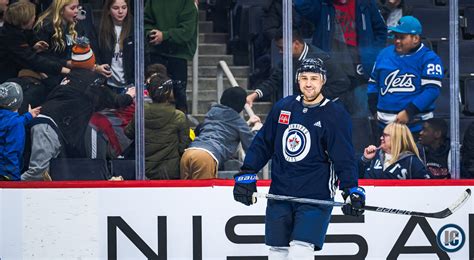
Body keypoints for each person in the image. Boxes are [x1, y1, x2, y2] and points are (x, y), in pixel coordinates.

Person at [233, 58, 365, 259]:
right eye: (304, 78)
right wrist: (247, 173)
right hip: (280, 194)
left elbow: (343, 157)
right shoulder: (284, 107)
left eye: (314, 78)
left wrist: (351, 189)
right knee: (277, 252)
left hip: (315, 196)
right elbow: (264, 143)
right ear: (297, 80)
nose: (309, 83)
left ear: (323, 81)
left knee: (300, 251)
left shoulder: (335, 114)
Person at [21, 65, 135, 181]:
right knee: (37, 173)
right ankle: (9, 187)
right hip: (47, 125)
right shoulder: (92, 85)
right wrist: (129, 96)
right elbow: (117, 101)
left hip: (47, 123)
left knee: (47, 173)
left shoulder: (69, 80)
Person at [293, 0, 387, 117]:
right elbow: (301, 5)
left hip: (360, 69)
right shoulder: (323, 4)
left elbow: (381, 30)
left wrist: (370, 54)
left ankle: (359, 135)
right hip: (332, 70)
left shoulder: (365, 3)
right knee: (330, 115)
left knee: (359, 116)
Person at [368, 16, 443, 134]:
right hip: (383, 127)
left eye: (402, 37)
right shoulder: (384, 54)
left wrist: (409, 111)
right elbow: (373, 83)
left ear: (416, 38)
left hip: (414, 127)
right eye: (395, 36)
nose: (397, 41)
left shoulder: (429, 58)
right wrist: (373, 109)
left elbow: (431, 91)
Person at [246, 31, 351, 107]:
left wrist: (315, 96)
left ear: (296, 44)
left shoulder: (322, 59)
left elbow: (342, 83)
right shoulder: (287, 62)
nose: (280, 52)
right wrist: (254, 95)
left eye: (282, 48)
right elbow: (273, 81)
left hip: (325, 109)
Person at [125, 64, 190, 180]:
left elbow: (129, 133)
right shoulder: (179, 116)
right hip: (170, 172)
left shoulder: (141, 112)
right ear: (169, 92)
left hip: (143, 170)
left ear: (148, 92)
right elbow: (183, 146)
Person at [180, 86, 259, 180]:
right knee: (202, 194)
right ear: (241, 106)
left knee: (186, 193)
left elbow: (222, 127)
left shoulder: (212, 112)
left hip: (188, 152)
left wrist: (248, 123)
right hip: (206, 156)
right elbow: (251, 146)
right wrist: (256, 130)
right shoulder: (238, 122)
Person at [144, 0, 198, 114]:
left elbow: (187, 31)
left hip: (177, 56)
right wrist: (150, 33)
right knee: (154, 97)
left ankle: (182, 130)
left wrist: (165, 35)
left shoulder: (187, 3)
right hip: (156, 54)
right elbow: (145, 21)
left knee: (179, 99)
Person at [0, 1, 70, 83]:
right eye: (33, 16)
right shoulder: (9, 36)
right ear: (25, 20)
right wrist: (62, 69)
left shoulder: (23, 30)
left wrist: (33, 47)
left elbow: (26, 52)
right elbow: (31, 60)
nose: (34, 19)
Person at [359, 122, 432, 179]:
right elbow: (356, 177)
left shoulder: (412, 161)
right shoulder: (374, 156)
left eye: (385, 135)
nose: (381, 138)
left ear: (397, 138)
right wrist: (365, 160)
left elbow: (426, 187)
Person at [0, 82, 41, 180]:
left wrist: (28, 116)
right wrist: (14, 179)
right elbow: (12, 152)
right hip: (5, 174)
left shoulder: (11, 120)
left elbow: (7, 124)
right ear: (19, 101)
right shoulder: (16, 124)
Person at [97, 0, 134, 93]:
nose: (121, 11)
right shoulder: (100, 29)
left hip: (130, 85)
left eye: (124, 8)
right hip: (107, 85)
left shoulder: (135, 27)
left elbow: (143, 57)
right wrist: (97, 67)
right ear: (108, 10)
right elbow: (95, 54)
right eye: (116, 8)